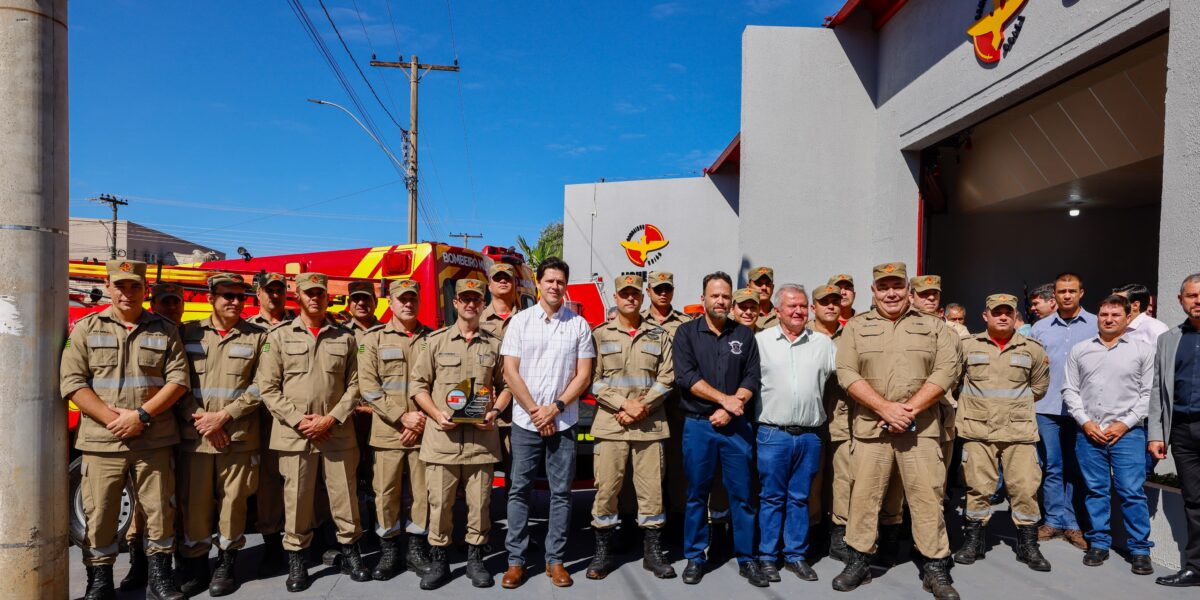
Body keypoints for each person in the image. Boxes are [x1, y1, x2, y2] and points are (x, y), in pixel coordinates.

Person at [831, 262, 961, 600]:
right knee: (863, 497)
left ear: (909, 290)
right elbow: (845, 372)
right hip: (871, 428)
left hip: (921, 429)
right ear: (873, 291)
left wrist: (910, 409)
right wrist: (885, 408)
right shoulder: (857, 327)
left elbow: (947, 370)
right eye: (883, 286)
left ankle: (935, 566)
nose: (891, 292)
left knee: (926, 497)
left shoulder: (933, 327)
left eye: (897, 286)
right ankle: (859, 560)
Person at [61, 260, 190, 600]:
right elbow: (72, 382)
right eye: (120, 285)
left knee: (160, 510)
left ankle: (160, 579)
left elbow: (178, 380)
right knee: (100, 512)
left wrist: (141, 416)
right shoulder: (86, 329)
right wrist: (111, 418)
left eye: (134, 286)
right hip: (103, 440)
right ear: (108, 286)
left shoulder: (165, 330)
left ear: (145, 290)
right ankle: (100, 582)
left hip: (154, 438)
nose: (127, 293)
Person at [256, 272, 368, 592]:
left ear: (327, 297)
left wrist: (331, 419)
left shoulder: (344, 338)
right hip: (295, 434)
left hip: (336, 432)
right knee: (297, 498)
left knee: (344, 496)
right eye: (309, 293)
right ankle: (297, 560)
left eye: (320, 292)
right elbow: (268, 387)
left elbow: (356, 385)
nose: (315, 298)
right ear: (299, 297)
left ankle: (352, 553)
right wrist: (298, 420)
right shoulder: (278, 337)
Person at [500, 257, 595, 589]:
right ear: (538, 283)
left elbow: (584, 376)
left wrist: (554, 409)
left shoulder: (579, 325)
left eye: (560, 281)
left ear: (566, 285)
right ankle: (515, 562)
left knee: (561, 494)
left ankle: (555, 561)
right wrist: (535, 411)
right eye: (550, 280)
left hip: (563, 421)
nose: (555, 286)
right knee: (519, 491)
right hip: (526, 422)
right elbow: (509, 371)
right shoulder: (520, 322)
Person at [409, 278, 511, 589]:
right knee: (439, 504)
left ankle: (476, 561)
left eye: (475, 299)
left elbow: (506, 386)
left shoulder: (494, 345)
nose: (470, 304)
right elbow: (418, 386)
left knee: (479, 505)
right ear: (455, 304)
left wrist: (494, 412)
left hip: (481, 442)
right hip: (442, 441)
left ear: (483, 304)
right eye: (464, 298)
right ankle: (439, 561)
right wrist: (435, 414)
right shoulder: (435, 342)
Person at [175, 273, 267, 597]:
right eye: (227, 295)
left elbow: (262, 385)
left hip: (237, 438)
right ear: (211, 297)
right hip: (197, 437)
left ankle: (226, 565)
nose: (234, 302)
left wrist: (224, 417)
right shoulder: (189, 333)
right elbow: (175, 381)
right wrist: (202, 420)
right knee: (194, 507)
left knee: (234, 506)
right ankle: (196, 567)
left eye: (240, 297)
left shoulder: (258, 336)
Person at [672, 271, 764, 586]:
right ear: (703, 299)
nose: (721, 301)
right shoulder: (686, 333)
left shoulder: (745, 335)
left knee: (742, 495)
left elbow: (752, 377)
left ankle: (747, 559)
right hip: (699, 426)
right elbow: (685, 376)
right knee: (697, 494)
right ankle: (696, 558)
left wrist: (731, 407)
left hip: (736, 426)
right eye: (715, 295)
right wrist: (725, 400)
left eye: (726, 296)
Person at [951, 294, 1051, 572]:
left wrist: (1011, 408)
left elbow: (1039, 388)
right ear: (986, 315)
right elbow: (955, 382)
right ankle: (973, 543)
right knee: (978, 488)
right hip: (978, 429)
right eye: (997, 312)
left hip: (1018, 431)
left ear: (1015, 315)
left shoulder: (1032, 349)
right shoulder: (967, 346)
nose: (1003, 316)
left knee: (1024, 489)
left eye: (1008, 312)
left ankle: (1028, 546)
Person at [585, 274, 676, 580]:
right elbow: (592, 381)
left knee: (652, 493)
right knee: (607, 490)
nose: (630, 298)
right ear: (615, 297)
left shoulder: (659, 335)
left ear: (642, 297)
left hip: (649, 427)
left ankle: (652, 553)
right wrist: (624, 405)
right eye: (625, 294)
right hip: (612, 426)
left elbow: (667, 378)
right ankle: (603, 552)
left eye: (635, 294)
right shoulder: (599, 335)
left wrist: (642, 407)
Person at [1063, 294, 1155, 574]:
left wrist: (1125, 423)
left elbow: (1148, 393)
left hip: (1127, 435)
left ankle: (1139, 549)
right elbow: (1070, 390)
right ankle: (1099, 543)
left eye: (1116, 315)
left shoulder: (1142, 350)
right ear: (1098, 317)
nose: (1109, 319)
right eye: (1104, 314)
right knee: (1095, 490)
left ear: (1128, 318)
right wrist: (1085, 422)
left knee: (1131, 491)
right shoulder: (1081, 350)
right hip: (1090, 433)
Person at [754, 284, 836, 582]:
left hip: (809, 436)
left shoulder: (823, 344)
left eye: (803, 306)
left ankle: (795, 556)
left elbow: (845, 377)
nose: (799, 311)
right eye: (792, 306)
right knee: (772, 497)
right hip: (772, 434)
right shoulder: (760, 342)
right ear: (778, 310)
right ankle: (767, 557)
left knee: (800, 498)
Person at [357, 279, 434, 580]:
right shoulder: (372, 339)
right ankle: (389, 551)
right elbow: (369, 388)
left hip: (424, 432)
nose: (408, 304)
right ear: (390, 302)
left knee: (420, 493)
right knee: (385, 493)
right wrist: (403, 417)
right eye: (401, 299)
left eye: (412, 299)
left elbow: (438, 386)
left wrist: (420, 419)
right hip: (388, 431)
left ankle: (416, 551)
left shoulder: (433, 338)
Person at [1030, 272, 1093, 549]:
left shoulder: (1095, 325)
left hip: (1084, 411)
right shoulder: (1040, 328)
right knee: (1053, 466)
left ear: (1081, 293)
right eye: (1061, 291)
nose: (1066, 295)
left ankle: (1073, 524)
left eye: (1072, 291)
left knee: (1077, 467)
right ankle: (1054, 520)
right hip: (1047, 408)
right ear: (1054, 296)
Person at [1148, 273, 1200, 587]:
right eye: (1192, 296)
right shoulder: (1168, 339)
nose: (1198, 301)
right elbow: (1157, 391)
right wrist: (1156, 433)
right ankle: (1196, 568)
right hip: (1182, 431)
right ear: (1181, 300)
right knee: (1194, 502)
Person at [246, 272, 295, 575]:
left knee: (301, 482)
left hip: (296, 420)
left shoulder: (298, 326)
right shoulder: (249, 329)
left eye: (279, 290)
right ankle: (271, 543)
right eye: (269, 291)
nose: (274, 295)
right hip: (261, 419)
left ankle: (303, 539)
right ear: (258, 294)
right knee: (267, 484)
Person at [642, 271, 693, 534]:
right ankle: (644, 522)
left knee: (677, 464)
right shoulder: (637, 322)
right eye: (658, 288)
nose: (663, 293)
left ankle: (676, 522)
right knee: (647, 467)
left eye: (668, 289)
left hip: (678, 404)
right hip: (647, 405)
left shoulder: (685, 323)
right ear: (649, 290)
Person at [811, 284, 853, 561]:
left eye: (835, 301)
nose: (831, 306)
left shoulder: (851, 335)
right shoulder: (804, 336)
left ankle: (839, 535)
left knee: (843, 480)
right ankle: (813, 532)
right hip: (811, 421)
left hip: (842, 419)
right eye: (824, 302)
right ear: (814, 306)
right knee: (812, 480)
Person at [481, 263, 523, 505]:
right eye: (497, 278)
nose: (503, 282)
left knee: (517, 478)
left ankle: (517, 534)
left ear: (515, 284)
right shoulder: (477, 319)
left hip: (520, 411)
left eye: (507, 278)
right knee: (481, 478)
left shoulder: (529, 319)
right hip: (484, 412)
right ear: (490, 285)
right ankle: (482, 530)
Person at [1115, 283, 1170, 348]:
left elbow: (1164, 356)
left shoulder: (1155, 329)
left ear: (1135, 305)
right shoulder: (1109, 325)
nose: (1111, 306)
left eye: (1117, 302)